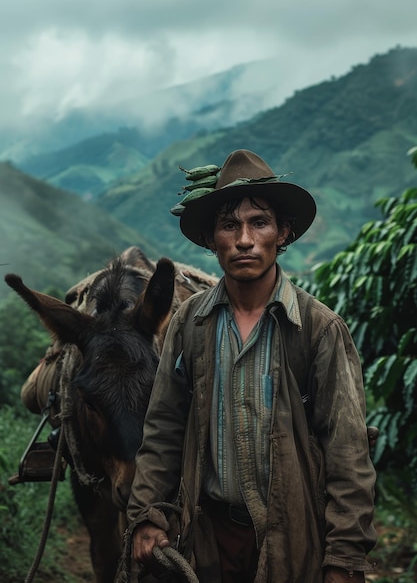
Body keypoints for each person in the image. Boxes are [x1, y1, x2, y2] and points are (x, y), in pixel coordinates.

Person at [125, 149, 377, 583]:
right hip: (207, 535)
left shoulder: (318, 328)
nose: (244, 240)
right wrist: (147, 514)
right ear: (210, 240)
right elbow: (164, 426)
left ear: (283, 233)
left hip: (294, 535)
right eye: (229, 225)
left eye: (259, 222)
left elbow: (347, 449)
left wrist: (344, 556)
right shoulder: (191, 322)